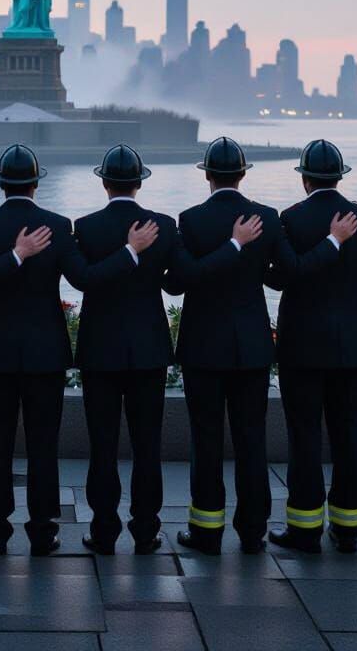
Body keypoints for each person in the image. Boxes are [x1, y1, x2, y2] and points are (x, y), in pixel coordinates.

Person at [0, 143, 159, 555]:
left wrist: (11, 256)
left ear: (1, 184)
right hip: (46, 352)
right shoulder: (57, 225)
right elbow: (85, 277)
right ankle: (44, 531)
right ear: (35, 183)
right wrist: (129, 252)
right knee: (43, 445)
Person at [164, 137, 357, 555]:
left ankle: (206, 530)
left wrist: (228, 250)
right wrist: (327, 243)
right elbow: (290, 271)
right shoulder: (268, 219)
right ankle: (253, 531)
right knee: (252, 439)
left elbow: (177, 282)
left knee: (206, 439)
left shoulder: (190, 220)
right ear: (243, 173)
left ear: (208, 176)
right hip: (252, 346)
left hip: (202, 348)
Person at [75, 144, 262, 556]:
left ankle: (103, 531)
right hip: (149, 352)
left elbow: (85, 279)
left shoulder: (85, 227)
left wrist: (127, 254)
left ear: (104, 182)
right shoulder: (161, 227)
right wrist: (231, 246)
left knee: (102, 445)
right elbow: (183, 277)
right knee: (147, 446)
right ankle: (146, 531)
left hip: (99, 353)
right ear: (140, 183)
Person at [265, 140, 357, 554]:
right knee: (349, 433)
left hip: (302, 347)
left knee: (305, 434)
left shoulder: (289, 220)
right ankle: (348, 527)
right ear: (340, 176)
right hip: (350, 344)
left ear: (305, 178)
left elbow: (281, 278)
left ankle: (305, 527)